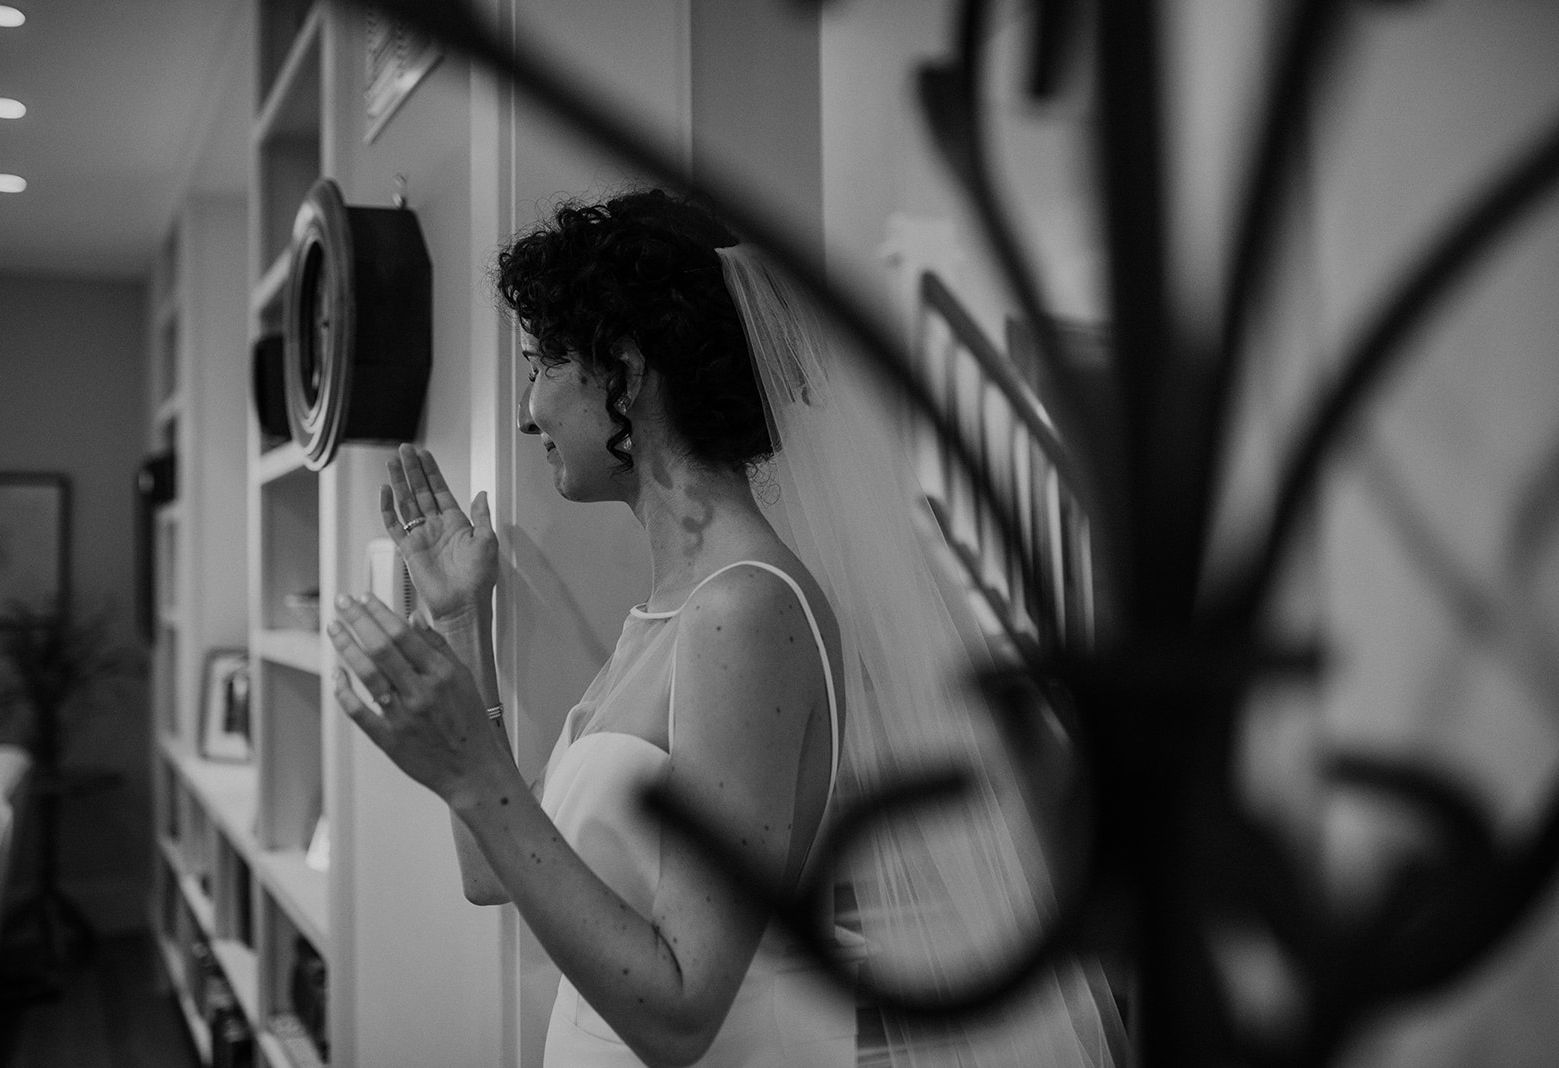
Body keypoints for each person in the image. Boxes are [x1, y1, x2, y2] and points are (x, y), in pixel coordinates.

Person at [327, 190, 1120, 1066]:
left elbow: (681, 1011)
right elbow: (494, 875)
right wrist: (457, 621)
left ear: (626, 376)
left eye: (546, 362)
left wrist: (474, 773)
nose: (527, 411)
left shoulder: (745, 613)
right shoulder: (668, 612)